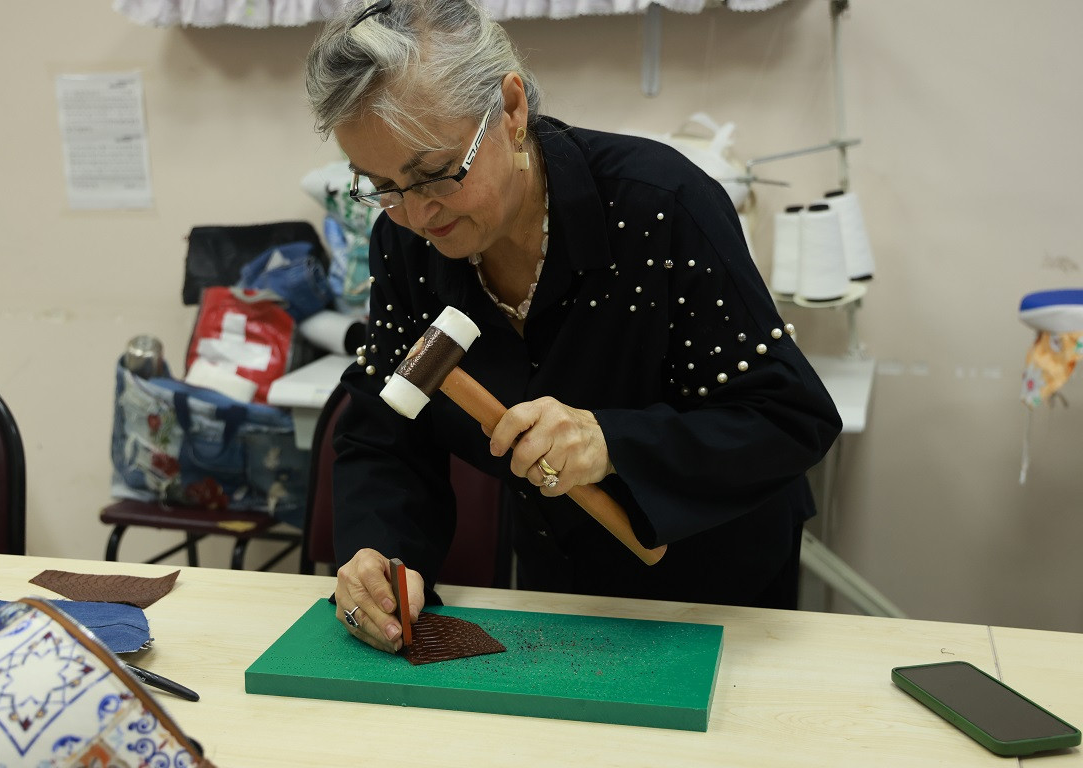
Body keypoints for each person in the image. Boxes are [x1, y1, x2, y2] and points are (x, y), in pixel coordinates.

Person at [304, 0, 842, 654]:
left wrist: (611, 441)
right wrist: (380, 556)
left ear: (510, 109)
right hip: (560, 595)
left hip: (720, 596)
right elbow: (388, 433)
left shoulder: (661, 207)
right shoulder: (406, 246)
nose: (416, 214)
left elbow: (788, 418)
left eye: (436, 174)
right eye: (380, 186)